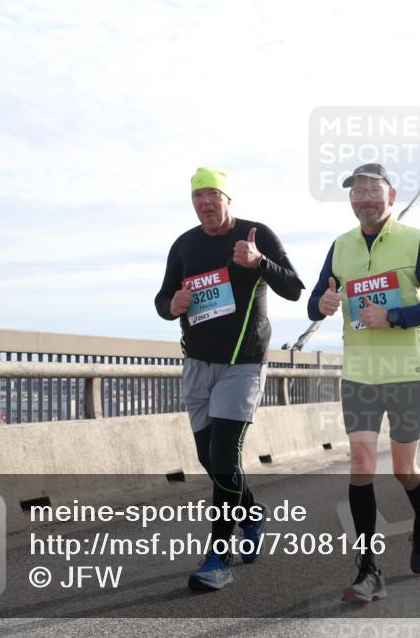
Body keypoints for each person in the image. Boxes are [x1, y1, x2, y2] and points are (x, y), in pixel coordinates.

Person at [155, 167, 305, 591]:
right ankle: (252, 513)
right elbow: (162, 297)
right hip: (198, 366)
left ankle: (218, 557)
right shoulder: (184, 245)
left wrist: (260, 263)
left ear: (227, 199)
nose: (205, 202)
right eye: (197, 196)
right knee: (211, 460)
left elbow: (295, 287)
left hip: (243, 364)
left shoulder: (256, 234)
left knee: (222, 458)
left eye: (212, 194)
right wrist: (173, 305)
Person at [308, 163, 420, 603]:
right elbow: (315, 304)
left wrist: (393, 316)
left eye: (372, 191)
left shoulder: (415, 240)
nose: (364, 199)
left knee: (403, 469)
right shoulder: (341, 246)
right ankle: (369, 569)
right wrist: (325, 302)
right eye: (356, 193)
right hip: (360, 374)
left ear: (391, 196)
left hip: (406, 371)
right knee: (361, 465)